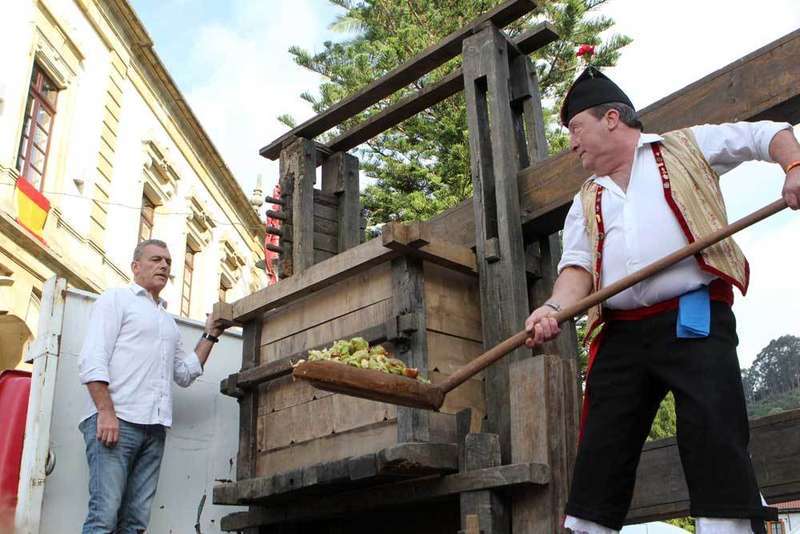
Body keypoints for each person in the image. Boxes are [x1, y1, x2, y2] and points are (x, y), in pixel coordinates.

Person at [524, 66, 800, 534]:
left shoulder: (685, 147)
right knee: (602, 441)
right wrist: (553, 308)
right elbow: (577, 270)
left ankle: (726, 528)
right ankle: (588, 531)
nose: (571, 143)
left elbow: (766, 134)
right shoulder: (585, 199)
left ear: (611, 118)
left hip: (693, 313)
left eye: (575, 128)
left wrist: (794, 167)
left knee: (712, 422)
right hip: (622, 332)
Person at [77, 238, 229, 533]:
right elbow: (92, 359)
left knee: (135, 523)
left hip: (154, 428)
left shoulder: (166, 322)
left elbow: (184, 374)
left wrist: (210, 335)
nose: (164, 265)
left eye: (168, 262)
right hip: (117, 421)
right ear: (136, 267)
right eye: (156, 259)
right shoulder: (116, 300)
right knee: (104, 517)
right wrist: (106, 412)